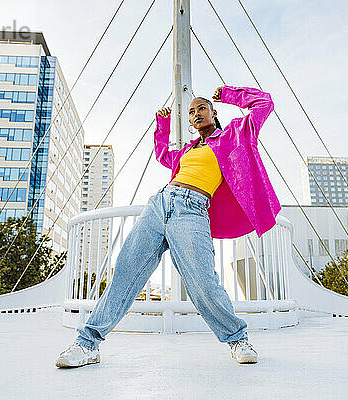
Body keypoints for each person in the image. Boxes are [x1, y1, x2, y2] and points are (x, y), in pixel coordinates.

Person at [55, 85, 281, 368]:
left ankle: (237, 338)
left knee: (202, 282)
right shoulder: (187, 149)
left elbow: (264, 103)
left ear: (213, 113)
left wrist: (227, 94)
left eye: (202, 108)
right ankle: (87, 344)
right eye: (191, 112)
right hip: (159, 204)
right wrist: (162, 126)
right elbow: (164, 155)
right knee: (125, 272)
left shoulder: (236, 135)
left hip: (192, 209)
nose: (196, 114)